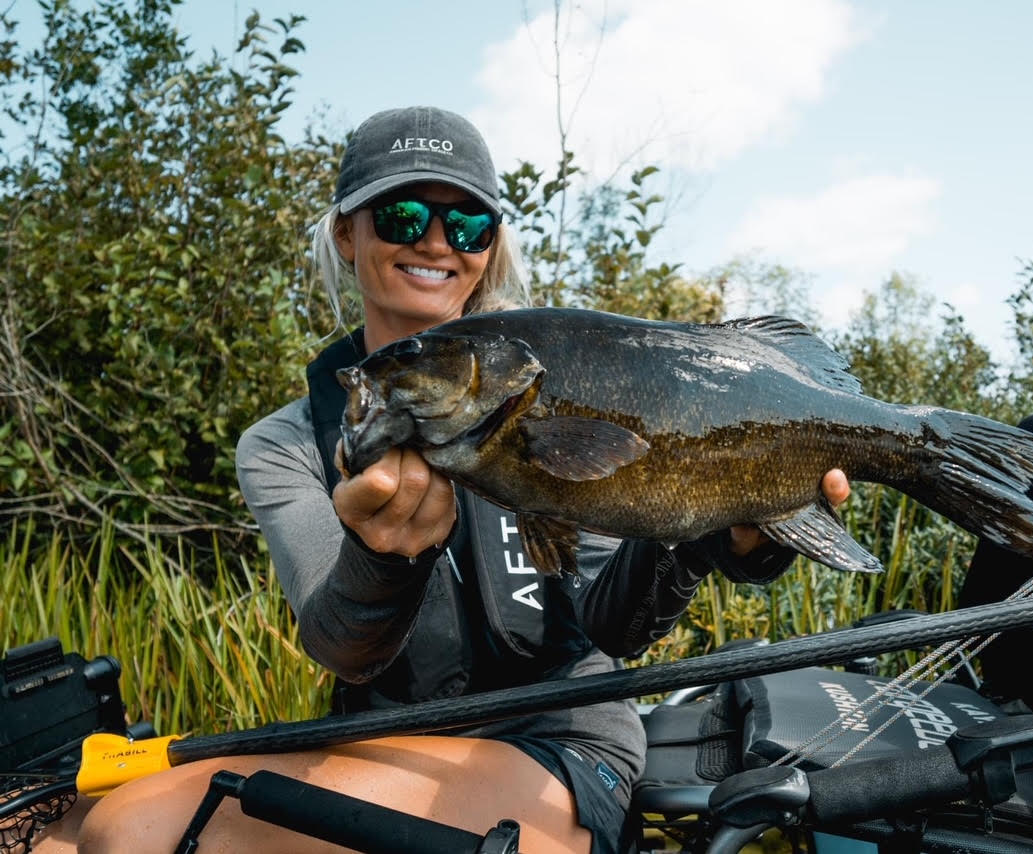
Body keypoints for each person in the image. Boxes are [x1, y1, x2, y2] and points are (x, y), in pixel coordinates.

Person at [63, 106, 852, 854]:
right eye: (403, 217)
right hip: (381, 739)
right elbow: (344, 650)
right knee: (92, 829)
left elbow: (611, 627)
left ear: (490, 244)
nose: (437, 242)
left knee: (129, 831)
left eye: (467, 222)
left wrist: (713, 534)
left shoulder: (558, 387)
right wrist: (384, 556)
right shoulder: (284, 444)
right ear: (346, 233)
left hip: (560, 740)